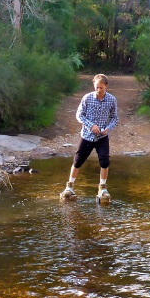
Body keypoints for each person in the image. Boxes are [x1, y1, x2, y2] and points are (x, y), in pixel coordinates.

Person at [60, 74, 119, 203]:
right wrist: (91, 125)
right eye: (97, 87)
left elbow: (115, 117)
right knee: (78, 161)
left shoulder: (112, 100)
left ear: (106, 86)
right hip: (87, 135)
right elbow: (79, 115)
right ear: (94, 85)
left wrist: (108, 128)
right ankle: (69, 186)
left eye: (101, 88)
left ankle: (102, 188)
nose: (98, 90)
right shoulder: (87, 98)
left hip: (102, 137)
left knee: (104, 161)